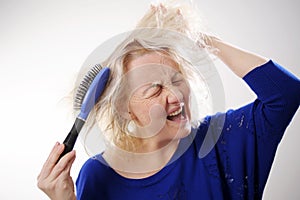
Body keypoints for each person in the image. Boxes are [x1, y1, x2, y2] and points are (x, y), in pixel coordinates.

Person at [37, 2, 300, 200]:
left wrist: (204, 40)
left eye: (177, 80)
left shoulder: (221, 141)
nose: (175, 96)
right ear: (124, 109)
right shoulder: (97, 175)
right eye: (154, 89)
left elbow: (286, 93)